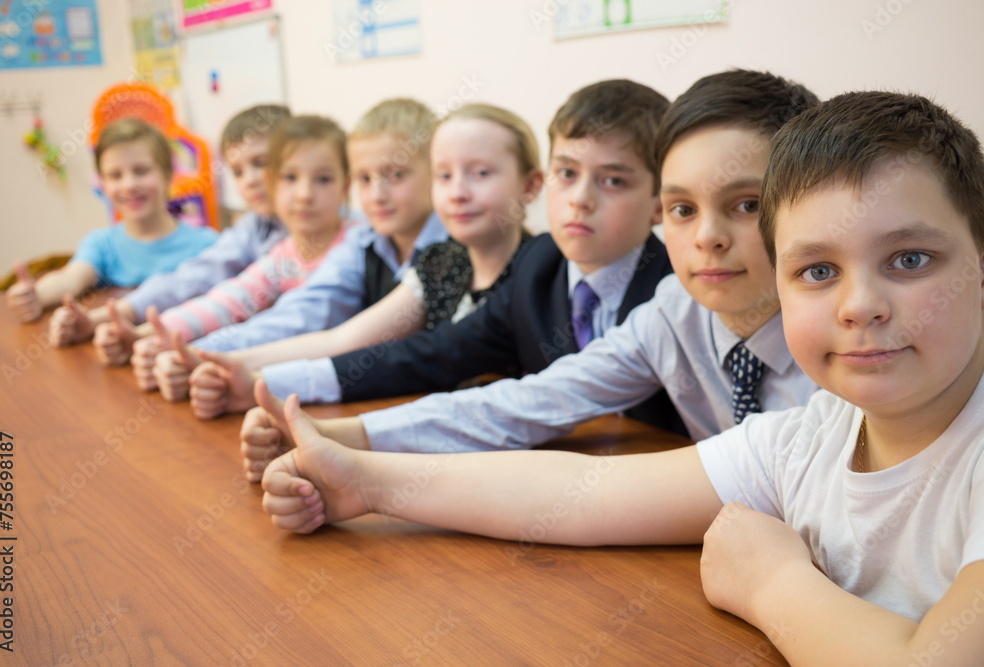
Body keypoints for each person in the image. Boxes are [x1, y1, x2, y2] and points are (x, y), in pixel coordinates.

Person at [261, 90, 984, 664]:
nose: (860, 306)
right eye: (818, 270)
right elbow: (583, 492)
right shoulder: (810, 436)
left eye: (911, 259)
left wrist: (771, 581)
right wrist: (368, 479)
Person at [240, 69, 821, 478]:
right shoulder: (662, 307)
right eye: (685, 209)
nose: (707, 236)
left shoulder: (839, 340)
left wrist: (368, 478)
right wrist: (344, 437)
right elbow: (516, 400)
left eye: (746, 204)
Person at [185, 80, 683, 433]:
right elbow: (430, 355)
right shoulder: (540, 267)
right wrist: (261, 382)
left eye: (613, 180)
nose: (580, 199)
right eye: (568, 173)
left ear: (660, 201)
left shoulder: (677, 290)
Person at [182, 103, 543, 418]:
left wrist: (260, 379)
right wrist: (224, 364)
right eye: (445, 175)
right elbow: (342, 338)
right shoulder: (438, 262)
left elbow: (423, 357)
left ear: (530, 185)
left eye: (480, 173)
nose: (458, 192)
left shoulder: (537, 266)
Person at [120, 115, 351, 393]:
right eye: (290, 177)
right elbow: (233, 298)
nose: (304, 194)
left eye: (323, 179)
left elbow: (295, 320)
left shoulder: (356, 245)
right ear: (274, 184)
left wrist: (198, 355)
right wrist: (164, 335)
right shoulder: (284, 252)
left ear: (345, 187)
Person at [47, 104, 291, 354]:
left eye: (261, 163)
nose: (249, 180)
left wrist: (184, 349)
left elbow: (289, 317)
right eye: (237, 172)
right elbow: (193, 281)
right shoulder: (253, 227)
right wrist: (109, 319)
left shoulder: (311, 237)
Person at [5, 118, 217, 323]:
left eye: (141, 171)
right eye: (115, 175)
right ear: (103, 184)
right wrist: (37, 295)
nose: (129, 185)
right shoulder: (102, 244)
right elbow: (71, 278)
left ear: (167, 175)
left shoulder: (208, 245)